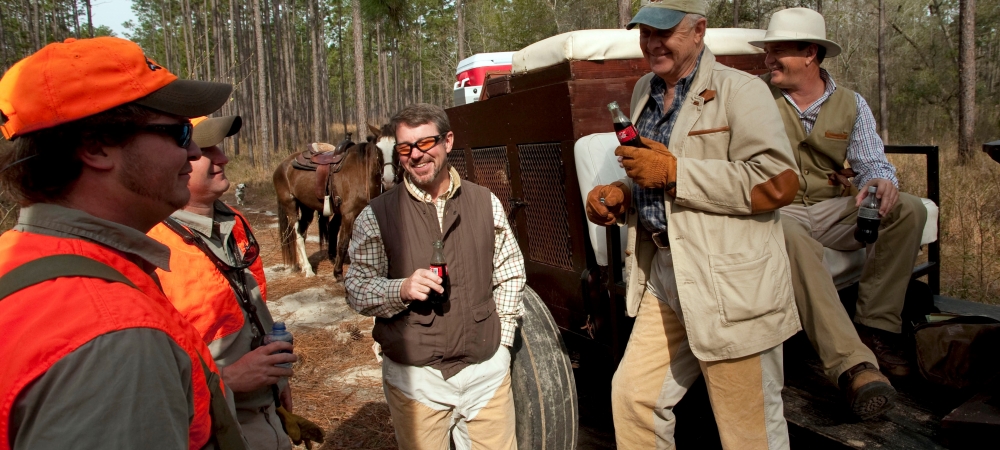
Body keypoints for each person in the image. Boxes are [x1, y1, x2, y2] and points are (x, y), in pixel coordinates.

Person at [0, 37, 244, 449]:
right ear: (96, 147)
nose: (192, 151)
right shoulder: (115, 340)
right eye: (179, 131)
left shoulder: (20, 256)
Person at [585, 1, 802, 448]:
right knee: (634, 400)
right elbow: (649, 169)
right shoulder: (645, 88)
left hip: (728, 283)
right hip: (664, 276)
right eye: (645, 32)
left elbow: (778, 183)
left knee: (748, 429)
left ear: (699, 31)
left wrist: (677, 173)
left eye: (665, 31)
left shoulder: (741, 90)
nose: (652, 42)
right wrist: (622, 195)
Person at [751, 7, 928, 418]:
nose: (768, 60)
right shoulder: (753, 96)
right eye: (767, 51)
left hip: (833, 208)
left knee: (909, 209)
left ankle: (878, 327)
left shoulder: (851, 103)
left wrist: (881, 181)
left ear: (810, 53)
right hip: (782, 210)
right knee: (788, 235)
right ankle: (853, 365)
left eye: (779, 51)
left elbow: (872, 163)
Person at [345, 103, 525, 450]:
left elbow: (511, 272)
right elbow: (356, 288)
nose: (416, 155)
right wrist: (401, 288)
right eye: (405, 147)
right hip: (417, 382)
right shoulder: (376, 215)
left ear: (448, 141)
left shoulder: (485, 202)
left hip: (485, 375)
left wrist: (502, 346)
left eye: (426, 143)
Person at [147, 116, 322, 449]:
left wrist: (276, 380)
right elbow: (152, 375)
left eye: (218, 148)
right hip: (209, 424)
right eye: (204, 151)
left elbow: (253, 309)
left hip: (264, 411)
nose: (223, 158)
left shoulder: (235, 222)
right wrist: (226, 380)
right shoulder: (150, 245)